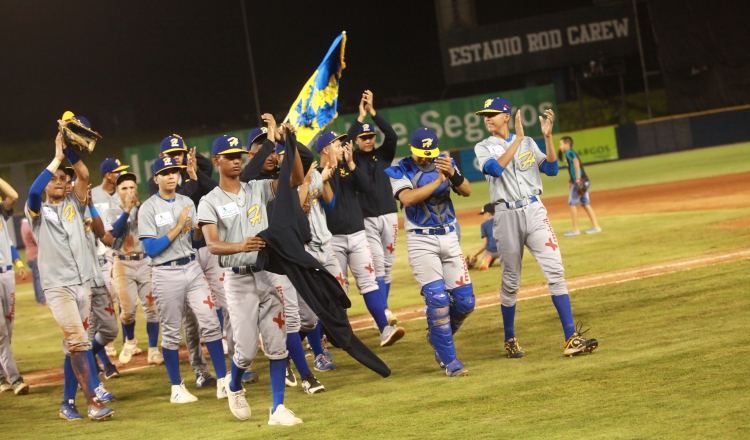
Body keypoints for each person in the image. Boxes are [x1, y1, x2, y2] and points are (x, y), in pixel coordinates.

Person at [473, 97, 598, 358]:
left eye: (492, 113)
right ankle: (509, 339)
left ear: (506, 116)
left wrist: (548, 138)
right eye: (485, 114)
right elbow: (495, 170)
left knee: (556, 271)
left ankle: (570, 338)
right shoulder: (483, 147)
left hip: (535, 211)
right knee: (510, 282)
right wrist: (516, 140)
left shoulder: (529, 142)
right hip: (506, 215)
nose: (487, 118)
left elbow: (551, 169)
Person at [198, 127, 305, 425]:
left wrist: (289, 144)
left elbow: (294, 179)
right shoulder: (209, 201)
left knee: (276, 343)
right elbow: (212, 245)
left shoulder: (257, 188)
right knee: (244, 351)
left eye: (239, 157)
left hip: (267, 274)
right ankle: (234, 385)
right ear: (217, 160)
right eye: (229, 157)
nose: (235, 161)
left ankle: (278, 408)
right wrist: (240, 245)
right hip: (237, 279)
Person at [25, 117, 113, 420]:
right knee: (77, 342)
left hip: (81, 285)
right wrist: (57, 158)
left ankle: (68, 403)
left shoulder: (75, 203)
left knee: (76, 346)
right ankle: (93, 402)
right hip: (57, 287)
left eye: (64, 178)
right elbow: (33, 192)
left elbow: (85, 174)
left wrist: (70, 150)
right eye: (55, 179)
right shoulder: (37, 211)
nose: (61, 181)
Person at [239, 122, 324, 392]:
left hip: (299, 251)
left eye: (274, 150)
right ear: (253, 155)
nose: (272, 155)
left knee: (310, 318)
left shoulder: (283, 174)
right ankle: (308, 376)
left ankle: (285, 352)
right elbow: (247, 173)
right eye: (265, 149)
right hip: (275, 260)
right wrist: (268, 145)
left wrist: (288, 139)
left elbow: (307, 159)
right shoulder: (249, 184)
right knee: (293, 318)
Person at [385, 127, 474, 377]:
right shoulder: (399, 169)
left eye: (430, 153)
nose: (426, 158)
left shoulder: (444, 162)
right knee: (438, 300)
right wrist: (438, 181)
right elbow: (408, 199)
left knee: (466, 302)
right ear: (412, 149)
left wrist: (452, 174)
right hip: (421, 240)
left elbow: (466, 190)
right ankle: (450, 361)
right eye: (422, 154)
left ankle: (436, 336)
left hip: (449, 236)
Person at [138, 155, 227, 403]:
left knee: (210, 322)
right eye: (165, 172)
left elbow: (196, 239)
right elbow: (151, 249)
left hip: (192, 266)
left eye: (175, 171)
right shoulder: (148, 208)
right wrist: (178, 226)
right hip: (165, 273)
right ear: (156, 178)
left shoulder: (187, 200)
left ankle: (222, 381)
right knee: (171, 334)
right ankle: (177, 388)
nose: (171, 175)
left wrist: (202, 224)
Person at [316, 131, 406, 347]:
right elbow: (330, 204)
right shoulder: (317, 174)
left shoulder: (348, 166)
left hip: (357, 235)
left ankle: (384, 329)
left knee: (369, 282)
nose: (343, 148)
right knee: (337, 288)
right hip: (333, 239)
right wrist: (325, 177)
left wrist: (352, 164)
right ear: (326, 149)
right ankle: (328, 336)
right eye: (338, 145)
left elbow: (366, 186)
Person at [346, 90, 399, 325]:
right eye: (363, 137)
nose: (367, 140)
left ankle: (385, 309)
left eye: (370, 137)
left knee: (387, 264)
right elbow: (346, 141)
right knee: (377, 262)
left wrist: (374, 113)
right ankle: (385, 311)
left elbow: (392, 135)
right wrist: (360, 117)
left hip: (389, 214)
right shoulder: (353, 157)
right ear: (358, 140)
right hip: (366, 217)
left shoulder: (384, 155)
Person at [100, 172, 162, 367]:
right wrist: (126, 211)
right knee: (128, 311)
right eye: (124, 188)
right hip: (122, 263)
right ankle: (130, 341)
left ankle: (153, 349)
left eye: (132, 187)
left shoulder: (145, 209)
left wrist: (137, 208)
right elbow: (114, 233)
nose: (129, 191)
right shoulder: (111, 211)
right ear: (117, 191)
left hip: (144, 261)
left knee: (152, 309)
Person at [297, 157, 342, 372]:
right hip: (306, 248)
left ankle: (295, 344)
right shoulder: (283, 181)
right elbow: (297, 211)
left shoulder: (314, 174)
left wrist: (323, 181)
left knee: (337, 294)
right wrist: (305, 184)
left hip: (326, 244)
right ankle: (318, 353)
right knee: (312, 306)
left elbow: (331, 204)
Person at [91, 158, 129, 360]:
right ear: (107, 174)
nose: (120, 175)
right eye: (117, 171)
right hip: (101, 253)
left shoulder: (123, 192)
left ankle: (126, 342)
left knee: (122, 299)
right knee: (106, 301)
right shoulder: (94, 195)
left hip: (120, 252)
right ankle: (106, 343)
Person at [0, 177, 30, 395]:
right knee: (1, 331)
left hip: (7, 275)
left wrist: (19, 263)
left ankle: (1, 375)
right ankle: (15, 378)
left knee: (7, 328)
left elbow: (14, 196)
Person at [559, 136, 602, 236]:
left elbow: (576, 162)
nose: (560, 146)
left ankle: (575, 229)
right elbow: (573, 168)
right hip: (584, 181)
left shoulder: (569, 152)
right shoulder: (569, 153)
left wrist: (577, 180)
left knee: (572, 203)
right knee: (585, 203)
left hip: (580, 182)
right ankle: (596, 227)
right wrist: (571, 179)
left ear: (567, 144)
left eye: (561, 144)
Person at [20, 218, 45, 306]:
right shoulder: (29, 225)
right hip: (35, 254)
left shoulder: (23, 224)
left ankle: (39, 298)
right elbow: (37, 239)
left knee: (36, 278)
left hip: (30, 255)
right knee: (39, 278)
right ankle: (42, 299)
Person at [468, 204, 500, 271]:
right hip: (504, 250)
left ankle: (487, 259)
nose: (483, 217)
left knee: (487, 257)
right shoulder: (502, 221)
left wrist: (474, 255)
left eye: (484, 214)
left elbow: (485, 245)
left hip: (492, 251)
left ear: (488, 214)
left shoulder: (484, 225)